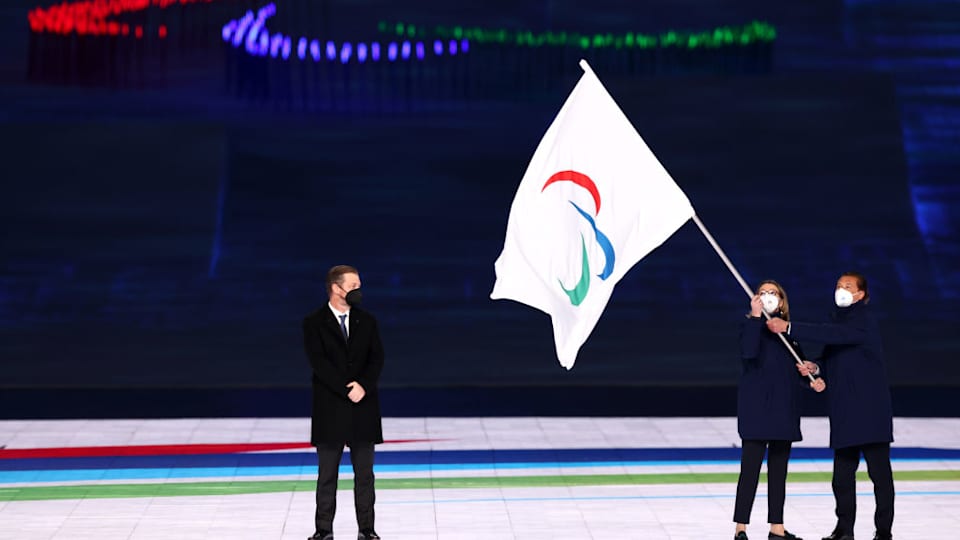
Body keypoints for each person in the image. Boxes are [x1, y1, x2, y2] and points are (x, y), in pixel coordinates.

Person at [767, 272, 894, 540]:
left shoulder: (864, 320)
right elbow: (832, 352)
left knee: (879, 475)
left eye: (847, 287)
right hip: (845, 410)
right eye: (838, 286)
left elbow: (836, 335)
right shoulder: (838, 319)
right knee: (842, 478)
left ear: (861, 294)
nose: (841, 290)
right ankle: (844, 530)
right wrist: (816, 366)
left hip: (871, 410)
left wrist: (789, 327)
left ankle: (883, 532)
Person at [734, 280, 825, 540]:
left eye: (773, 293)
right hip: (756, 410)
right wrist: (754, 317)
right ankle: (741, 527)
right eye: (763, 293)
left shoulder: (788, 335)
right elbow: (748, 353)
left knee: (778, 472)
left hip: (783, 411)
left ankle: (777, 526)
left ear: (782, 300)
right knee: (749, 470)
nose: (768, 297)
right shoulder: (750, 327)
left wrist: (813, 375)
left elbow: (796, 370)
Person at [303, 265, 384, 540]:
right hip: (331, 408)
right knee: (327, 475)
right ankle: (323, 530)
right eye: (353, 285)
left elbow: (377, 358)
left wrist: (363, 385)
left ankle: (367, 530)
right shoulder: (313, 322)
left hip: (363, 407)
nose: (358, 291)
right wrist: (344, 388)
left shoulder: (368, 321)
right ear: (336, 288)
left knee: (365, 475)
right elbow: (319, 362)